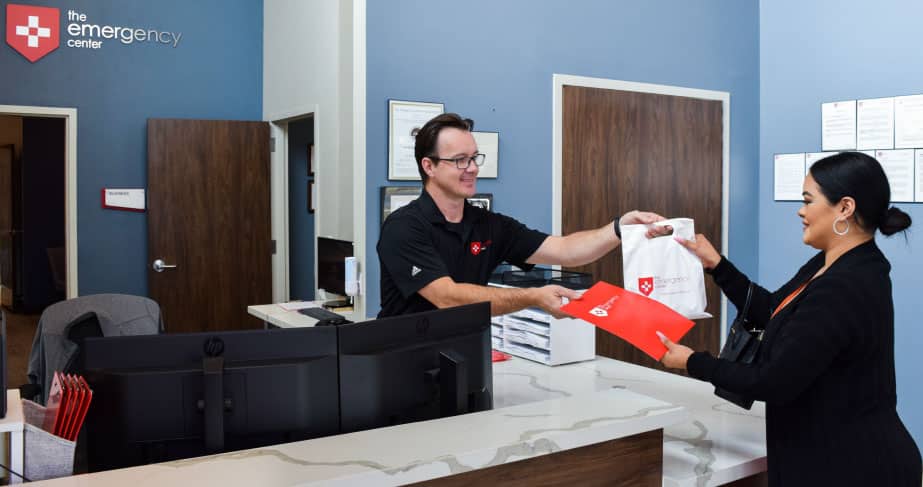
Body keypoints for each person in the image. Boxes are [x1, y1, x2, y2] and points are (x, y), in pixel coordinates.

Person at [657, 152, 921, 486]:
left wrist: (693, 361)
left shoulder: (846, 285)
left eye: (808, 200)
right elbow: (773, 312)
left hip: (853, 465)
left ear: (845, 208)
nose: (801, 210)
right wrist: (717, 266)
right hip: (841, 454)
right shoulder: (833, 264)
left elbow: (774, 381)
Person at [377, 113, 665, 318]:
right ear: (429, 166)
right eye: (460, 160)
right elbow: (447, 297)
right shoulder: (403, 227)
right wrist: (532, 297)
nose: (473, 168)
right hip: (405, 364)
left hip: (467, 358)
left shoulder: (488, 225)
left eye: (475, 158)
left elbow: (566, 250)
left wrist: (620, 227)